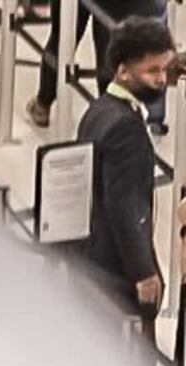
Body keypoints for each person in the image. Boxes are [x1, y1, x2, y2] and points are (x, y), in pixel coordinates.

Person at [76, 18, 177, 323]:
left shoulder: (99, 109)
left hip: (92, 261)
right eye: (152, 71)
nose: (161, 80)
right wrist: (143, 271)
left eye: (164, 69)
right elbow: (125, 206)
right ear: (123, 71)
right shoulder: (127, 129)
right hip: (115, 272)